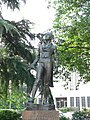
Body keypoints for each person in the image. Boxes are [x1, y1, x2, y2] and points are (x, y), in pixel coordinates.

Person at [28, 32, 58, 105]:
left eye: (47, 35)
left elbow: (56, 58)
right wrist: (33, 64)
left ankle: (45, 100)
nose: (45, 36)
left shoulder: (53, 47)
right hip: (41, 62)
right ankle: (32, 98)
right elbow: (37, 56)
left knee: (46, 83)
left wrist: (56, 67)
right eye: (45, 35)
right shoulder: (40, 46)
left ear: (50, 37)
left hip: (49, 62)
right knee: (37, 80)